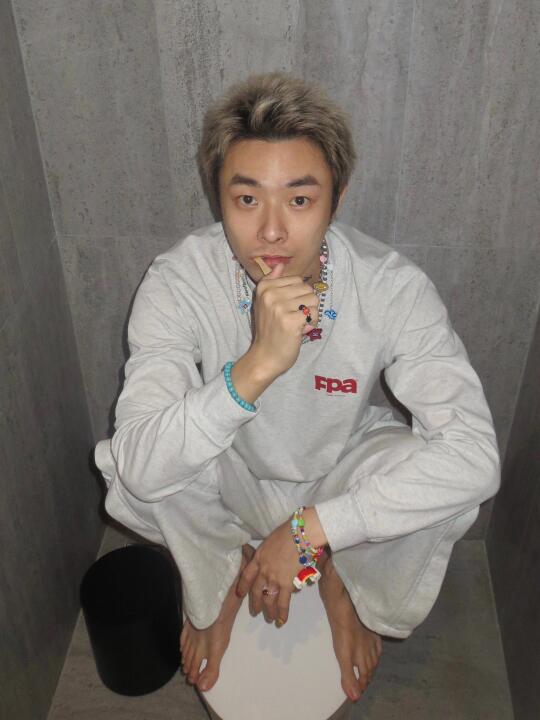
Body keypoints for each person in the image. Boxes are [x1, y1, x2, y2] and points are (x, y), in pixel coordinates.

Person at [94, 71, 500, 703]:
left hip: (337, 467)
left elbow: (477, 456)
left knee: (448, 488)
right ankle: (219, 580)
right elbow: (143, 469)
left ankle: (345, 581)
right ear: (219, 199)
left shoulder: (391, 287)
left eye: (300, 200)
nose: (272, 232)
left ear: (336, 200)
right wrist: (255, 366)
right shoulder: (177, 282)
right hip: (232, 473)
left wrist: (315, 531)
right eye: (246, 199)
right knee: (130, 465)